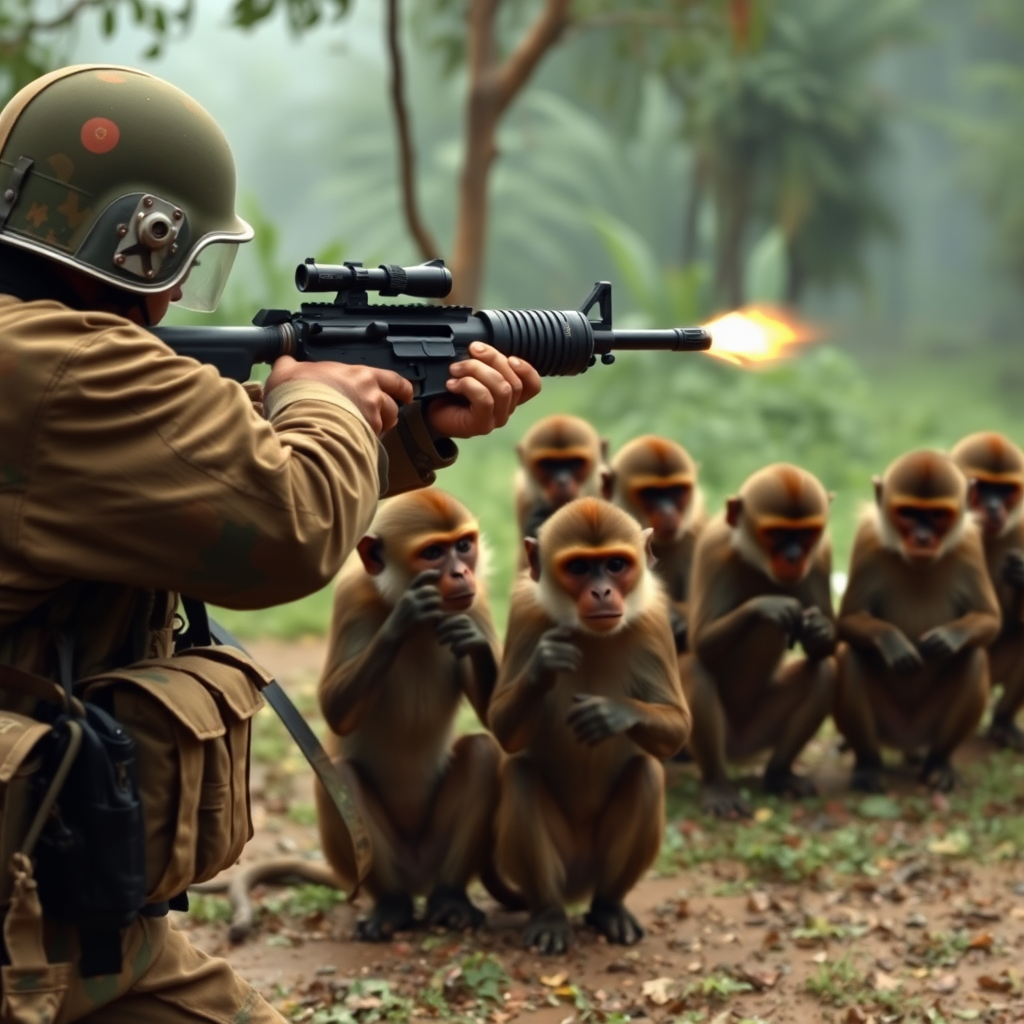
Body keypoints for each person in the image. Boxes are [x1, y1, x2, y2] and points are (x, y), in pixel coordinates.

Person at [0, 64, 540, 1024]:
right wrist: (327, 400)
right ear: (139, 238)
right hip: (24, 931)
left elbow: (172, 473)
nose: (168, 307)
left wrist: (402, 423)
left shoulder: (33, 354)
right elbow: (282, 528)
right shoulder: (65, 365)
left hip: (66, 903)